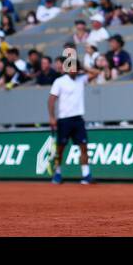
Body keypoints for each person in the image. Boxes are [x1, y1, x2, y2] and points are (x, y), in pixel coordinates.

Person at [48, 54, 94, 184]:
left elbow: (96, 72)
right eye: (71, 67)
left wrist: (83, 67)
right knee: (60, 149)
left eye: (75, 68)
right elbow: (51, 100)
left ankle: (86, 175)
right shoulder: (59, 81)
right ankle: (57, 173)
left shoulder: (82, 79)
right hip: (64, 120)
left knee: (83, 147)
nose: (73, 70)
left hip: (78, 119)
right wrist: (52, 117)